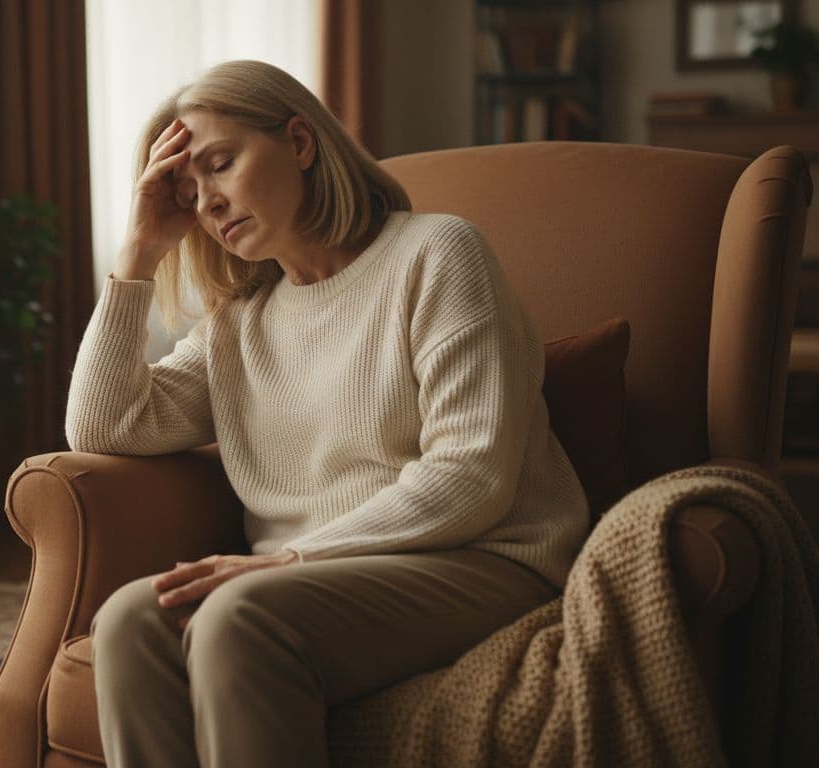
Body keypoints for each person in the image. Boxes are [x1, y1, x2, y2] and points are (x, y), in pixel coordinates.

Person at [64, 59, 588, 768]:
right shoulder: (238, 321)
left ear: (301, 143)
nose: (208, 203)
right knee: (130, 618)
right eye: (188, 193)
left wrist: (290, 558)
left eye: (220, 164)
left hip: (481, 560)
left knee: (236, 620)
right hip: (309, 580)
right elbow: (104, 427)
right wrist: (139, 253)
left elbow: (471, 477)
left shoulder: (435, 253)